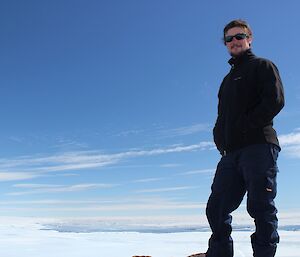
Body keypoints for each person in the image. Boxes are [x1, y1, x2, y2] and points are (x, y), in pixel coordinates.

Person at [188, 19, 285, 257]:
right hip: (231, 153)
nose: (234, 41)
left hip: (259, 146)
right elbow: (223, 116)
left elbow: (275, 101)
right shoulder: (227, 80)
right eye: (229, 39)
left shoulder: (263, 66)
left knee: (260, 206)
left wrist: (246, 127)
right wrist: (219, 139)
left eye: (239, 36)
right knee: (217, 207)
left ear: (249, 39)